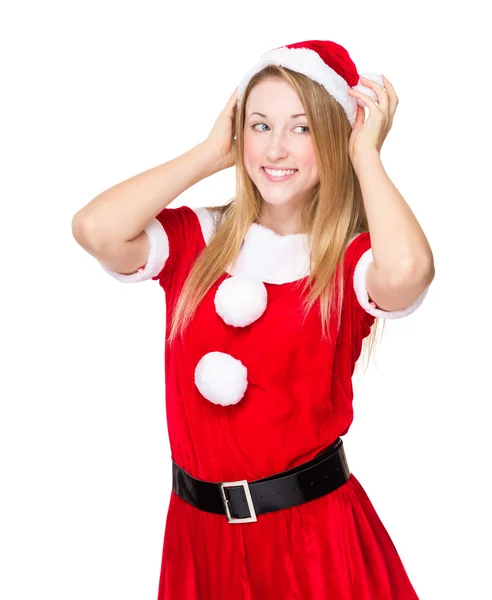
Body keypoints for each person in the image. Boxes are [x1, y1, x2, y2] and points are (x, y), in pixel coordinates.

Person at [72, 39, 434, 599]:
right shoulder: (196, 239)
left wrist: (366, 156)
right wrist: (208, 153)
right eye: (260, 126)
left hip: (312, 543)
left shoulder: (347, 262)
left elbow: (410, 268)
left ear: (334, 137)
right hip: (199, 541)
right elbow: (95, 228)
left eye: (303, 127)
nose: (276, 148)